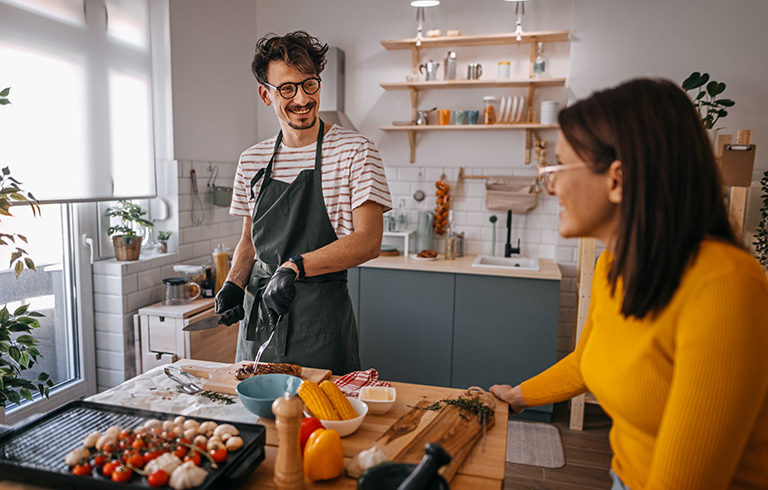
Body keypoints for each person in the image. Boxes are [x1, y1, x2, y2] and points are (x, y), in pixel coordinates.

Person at [490, 78, 768, 490]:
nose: (551, 186)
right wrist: (517, 397)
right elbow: (587, 361)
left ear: (617, 180)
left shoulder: (726, 286)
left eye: (558, 168)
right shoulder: (613, 268)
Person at [215, 31, 391, 374]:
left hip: (320, 322)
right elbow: (249, 240)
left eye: (309, 84)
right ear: (265, 94)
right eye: (287, 89)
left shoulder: (355, 151)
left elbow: (368, 242)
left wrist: (294, 266)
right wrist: (234, 282)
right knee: (256, 419)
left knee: (323, 421)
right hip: (260, 318)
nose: (301, 98)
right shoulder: (252, 160)